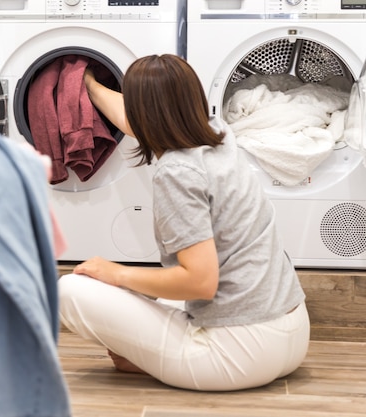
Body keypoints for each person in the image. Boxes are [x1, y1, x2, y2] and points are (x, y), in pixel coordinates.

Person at [57, 54, 310, 391]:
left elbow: (200, 283)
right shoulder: (218, 134)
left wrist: (117, 273)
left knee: (69, 290)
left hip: (238, 354)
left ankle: (156, 360)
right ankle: (156, 356)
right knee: (162, 297)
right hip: (291, 332)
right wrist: (87, 83)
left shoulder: (177, 173)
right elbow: (136, 119)